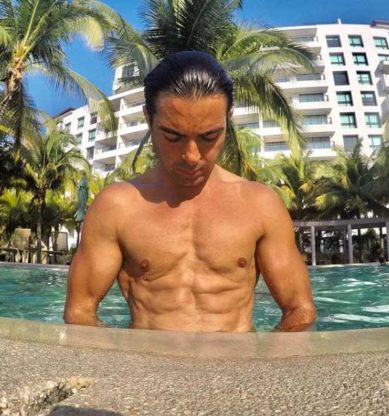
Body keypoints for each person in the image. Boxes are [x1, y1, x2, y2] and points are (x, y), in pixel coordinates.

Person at [64, 51, 316, 332]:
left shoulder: (260, 205)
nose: (192, 156)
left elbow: (300, 310)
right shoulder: (117, 207)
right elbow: (80, 311)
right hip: (147, 357)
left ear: (228, 119)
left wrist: (260, 358)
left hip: (237, 356)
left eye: (209, 136)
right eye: (173, 136)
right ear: (148, 118)